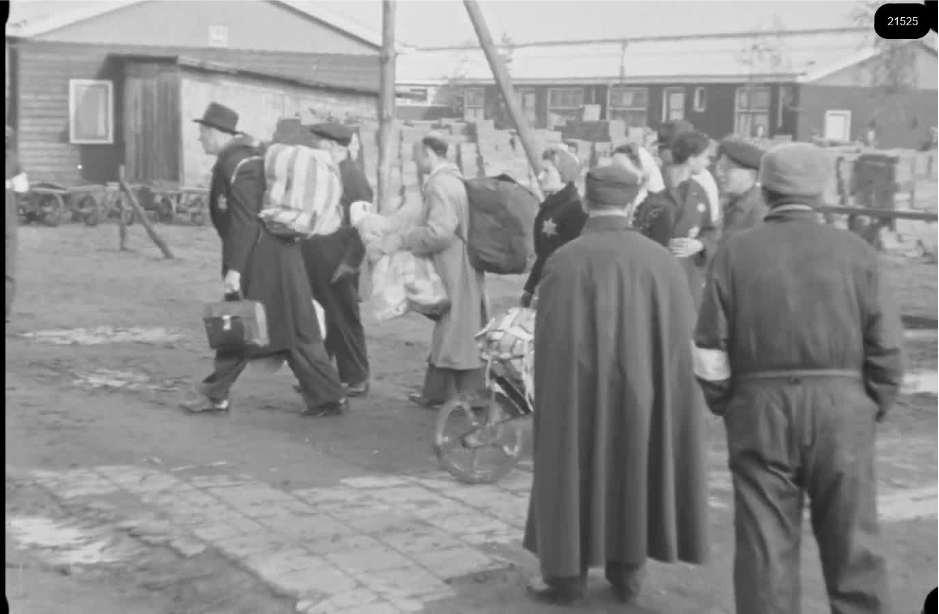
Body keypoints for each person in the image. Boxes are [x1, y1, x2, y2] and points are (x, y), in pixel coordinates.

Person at [694, 142, 904, 614]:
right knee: (854, 542)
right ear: (821, 190)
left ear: (765, 189)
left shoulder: (735, 252)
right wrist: (872, 403)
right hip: (842, 407)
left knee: (765, 546)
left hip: (759, 408)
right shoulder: (857, 253)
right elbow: (888, 347)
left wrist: (727, 402)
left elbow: (709, 346)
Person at [523, 163, 710, 606]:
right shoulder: (662, 261)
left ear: (587, 201)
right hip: (642, 391)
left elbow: (549, 340)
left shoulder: (565, 260)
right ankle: (627, 574)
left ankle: (565, 579)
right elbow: (678, 339)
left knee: (571, 470)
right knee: (633, 470)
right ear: (631, 203)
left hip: (577, 393)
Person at [182, 102, 347, 417]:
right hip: (279, 258)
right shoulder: (244, 160)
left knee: (238, 325)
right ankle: (329, 396)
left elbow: (244, 221)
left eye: (203, 132)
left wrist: (234, 269)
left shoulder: (237, 166)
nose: (200, 139)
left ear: (217, 133)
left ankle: (215, 394)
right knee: (294, 330)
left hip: (258, 260)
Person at [381, 133, 487, 409]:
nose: (415, 161)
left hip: (451, 265)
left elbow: (439, 232)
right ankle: (440, 393)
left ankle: (464, 397)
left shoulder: (440, 185)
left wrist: (407, 238)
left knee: (456, 331)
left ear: (429, 152)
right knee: (457, 329)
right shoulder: (455, 180)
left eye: (417, 154)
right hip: (462, 263)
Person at [299, 122, 371, 397]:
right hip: (316, 258)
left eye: (319, 142)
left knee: (344, 319)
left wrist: (350, 263)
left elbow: (363, 227)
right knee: (322, 319)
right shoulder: (327, 173)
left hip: (339, 260)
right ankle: (323, 375)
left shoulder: (354, 179)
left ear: (331, 145)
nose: (316, 147)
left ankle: (357, 378)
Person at [520, 146, 587, 308]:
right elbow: (543, 256)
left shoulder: (575, 208)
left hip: (562, 292)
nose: (540, 176)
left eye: (547, 171)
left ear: (564, 173)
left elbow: (574, 261)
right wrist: (529, 289)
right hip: (547, 284)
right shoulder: (552, 205)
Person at [660, 130, 721, 308]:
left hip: (688, 277)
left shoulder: (699, 190)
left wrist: (700, 244)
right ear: (691, 159)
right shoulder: (656, 184)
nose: (708, 162)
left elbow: (710, 230)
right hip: (660, 274)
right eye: (705, 157)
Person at [657, 120, 720, 224]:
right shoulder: (654, 173)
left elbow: (711, 221)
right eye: (661, 147)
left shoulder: (703, 179)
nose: (662, 152)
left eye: (668, 148)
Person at [614, 142, 672, 246]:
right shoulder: (607, 200)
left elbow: (659, 251)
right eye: (613, 168)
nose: (615, 174)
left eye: (622, 168)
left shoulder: (658, 209)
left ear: (641, 170)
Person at [714, 136, 769, 241]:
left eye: (727, 168)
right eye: (719, 166)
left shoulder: (760, 213)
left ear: (750, 173)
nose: (719, 173)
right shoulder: (728, 202)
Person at [5, 126, 28, 323]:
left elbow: (22, 188)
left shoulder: (13, 161)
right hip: (8, 223)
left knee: (9, 270)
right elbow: (21, 189)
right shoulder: (13, 160)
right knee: (8, 269)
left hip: (8, 225)